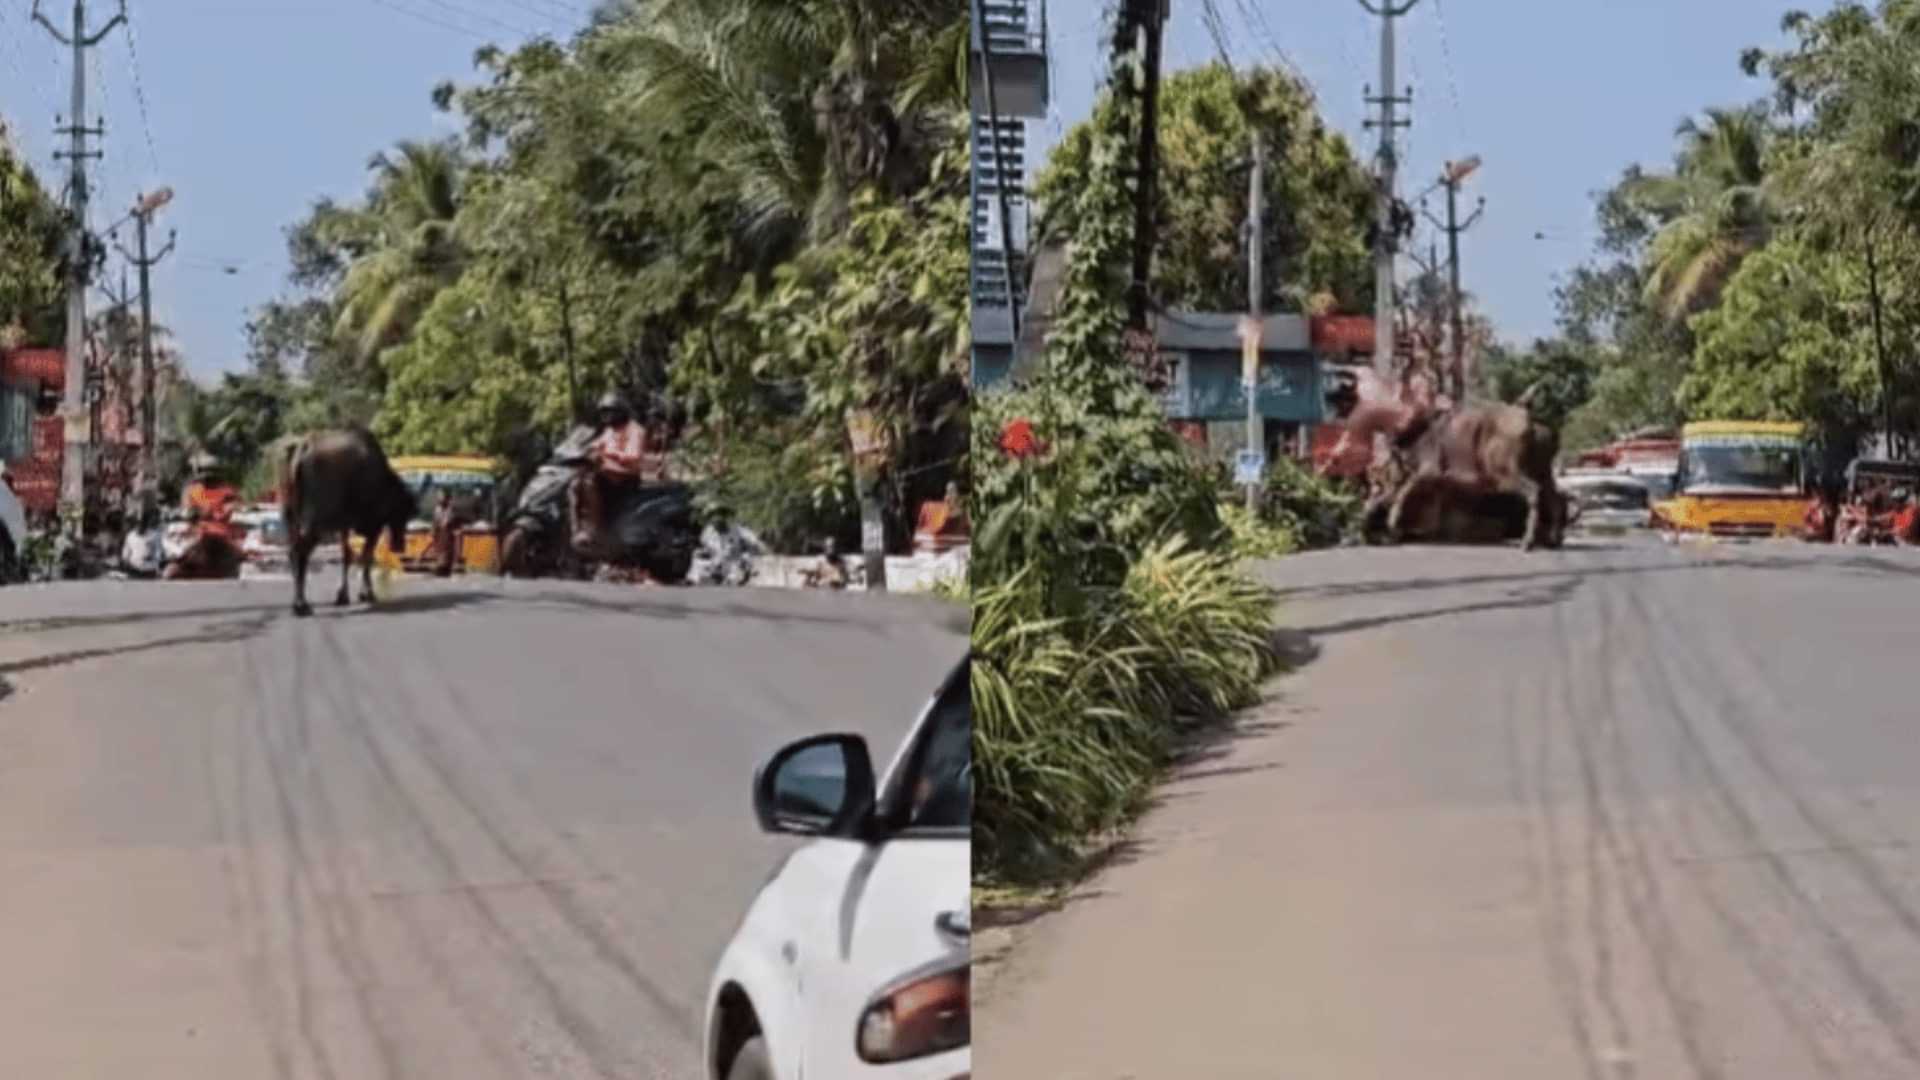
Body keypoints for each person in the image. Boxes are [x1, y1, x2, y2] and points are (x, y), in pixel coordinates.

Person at [570, 392, 649, 551]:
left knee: (590, 480)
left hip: (626, 476)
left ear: (620, 411)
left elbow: (633, 457)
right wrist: (584, 450)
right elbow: (596, 445)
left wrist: (610, 454)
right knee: (574, 484)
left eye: (610, 412)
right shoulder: (610, 430)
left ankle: (594, 529)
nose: (607, 417)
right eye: (604, 413)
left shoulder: (635, 430)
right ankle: (576, 528)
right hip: (608, 472)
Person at [699, 503, 765, 585]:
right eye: (713, 515)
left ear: (725, 516)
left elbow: (754, 541)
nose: (717, 518)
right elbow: (707, 550)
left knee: (745, 558)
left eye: (720, 514)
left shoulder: (737, 530)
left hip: (735, 563)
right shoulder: (707, 534)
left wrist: (753, 547)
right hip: (716, 566)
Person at [913, 482, 970, 554]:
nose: (946, 498)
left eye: (951, 493)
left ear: (962, 498)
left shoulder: (968, 517)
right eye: (947, 493)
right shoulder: (943, 515)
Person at [431, 490, 460, 577]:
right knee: (439, 550)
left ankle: (445, 569)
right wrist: (433, 530)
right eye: (439, 496)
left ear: (446, 498)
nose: (440, 498)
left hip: (447, 533)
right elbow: (435, 521)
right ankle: (440, 568)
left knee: (446, 551)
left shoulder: (450, 508)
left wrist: (447, 522)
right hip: (439, 533)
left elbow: (451, 520)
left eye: (441, 496)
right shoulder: (437, 509)